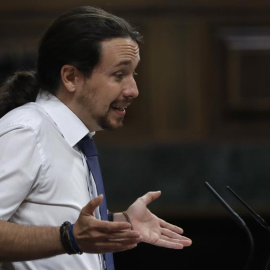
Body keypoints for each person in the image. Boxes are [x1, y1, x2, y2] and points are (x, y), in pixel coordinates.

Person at [0, 6, 192, 270]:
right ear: (70, 77)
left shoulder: (72, 137)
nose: (133, 90)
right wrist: (69, 238)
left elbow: (48, 221)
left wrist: (117, 222)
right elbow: (70, 236)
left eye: (133, 74)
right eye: (119, 75)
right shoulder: (27, 131)